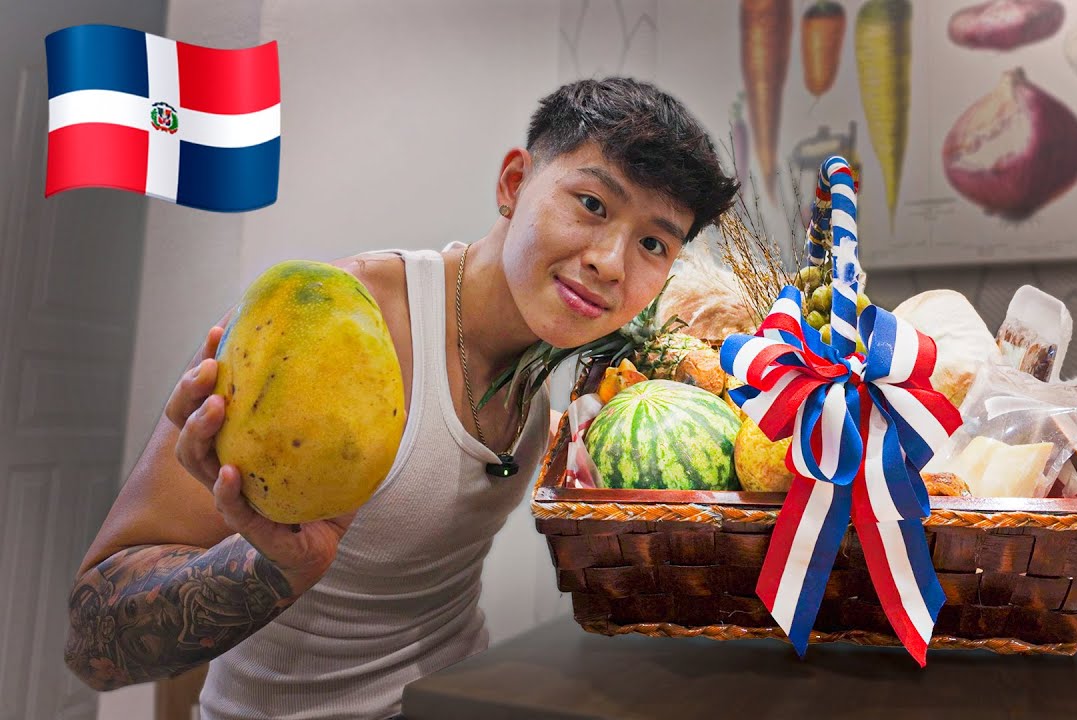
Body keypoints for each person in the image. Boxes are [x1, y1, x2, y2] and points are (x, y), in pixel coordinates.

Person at [64, 76, 738, 719]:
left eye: (653, 243)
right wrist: (271, 564)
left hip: (462, 696)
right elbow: (92, 644)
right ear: (514, 184)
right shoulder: (335, 325)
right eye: (591, 204)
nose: (611, 262)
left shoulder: (568, 334)